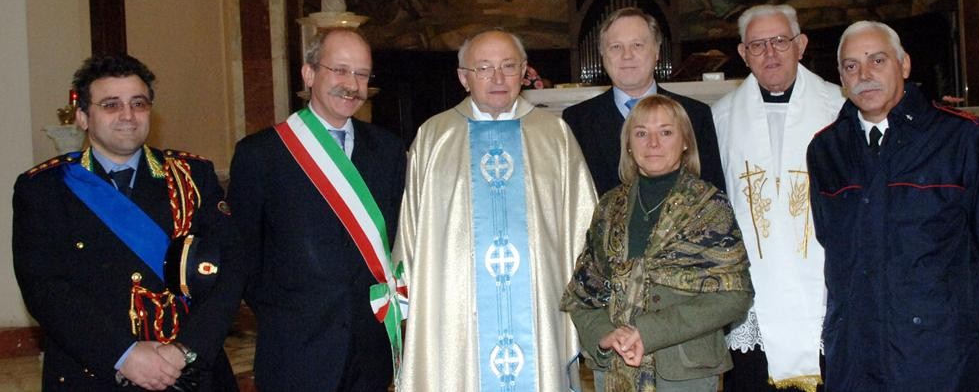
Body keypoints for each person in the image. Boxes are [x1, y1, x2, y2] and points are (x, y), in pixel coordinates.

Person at [12, 54, 243, 391]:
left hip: (189, 371)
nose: (128, 115)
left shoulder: (192, 176)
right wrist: (124, 355)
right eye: (110, 105)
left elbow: (230, 269)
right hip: (95, 371)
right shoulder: (45, 188)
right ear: (82, 116)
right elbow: (45, 287)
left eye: (139, 103)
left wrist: (186, 351)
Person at [394, 29, 597, 391]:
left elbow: (584, 227)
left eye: (508, 66)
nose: (498, 77)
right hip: (457, 313)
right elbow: (412, 231)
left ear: (523, 72)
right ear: (463, 77)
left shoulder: (555, 136)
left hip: (539, 309)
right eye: (484, 68)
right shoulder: (434, 137)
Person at [807, 21, 979, 390]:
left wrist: (944, 307)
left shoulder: (963, 138)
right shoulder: (826, 150)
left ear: (904, 65)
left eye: (877, 60)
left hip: (942, 355)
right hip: (856, 356)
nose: (864, 74)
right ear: (841, 78)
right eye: (851, 66)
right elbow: (832, 242)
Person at [227, 27, 407, 391]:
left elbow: (399, 238)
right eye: (340, 70)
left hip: (369, 349)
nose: (351, 84)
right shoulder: (261, 154)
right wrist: (288, 313)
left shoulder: (389, 151)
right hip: (296, 349)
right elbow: (243, 254)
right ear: (309, 74)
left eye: (361, 74)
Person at [562, 94, 753, 391]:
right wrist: (603, 334)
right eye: (641, 133)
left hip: (684, 372)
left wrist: (648, 332)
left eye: (666, 132)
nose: (653, 143)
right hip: (615, 366)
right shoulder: (609, 208)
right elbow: (582, 295)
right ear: (628, 143)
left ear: (686, 141)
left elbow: (735, 295)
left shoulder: (708, 206)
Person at [712, 4, 844, 392]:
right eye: (757, 45)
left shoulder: (839, 109)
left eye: (780, 42)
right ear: (743, 54)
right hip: (751, 299)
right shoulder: (720, 119)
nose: (770, 53)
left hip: (824, 293)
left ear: (800, 45)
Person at [562, 7, 725, 196]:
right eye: (616, 47)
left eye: (637, 45)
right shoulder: (577, 121)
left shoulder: (695, 114)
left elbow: (714, 196)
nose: (627, 55)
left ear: (656, 52)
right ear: (602, 56)